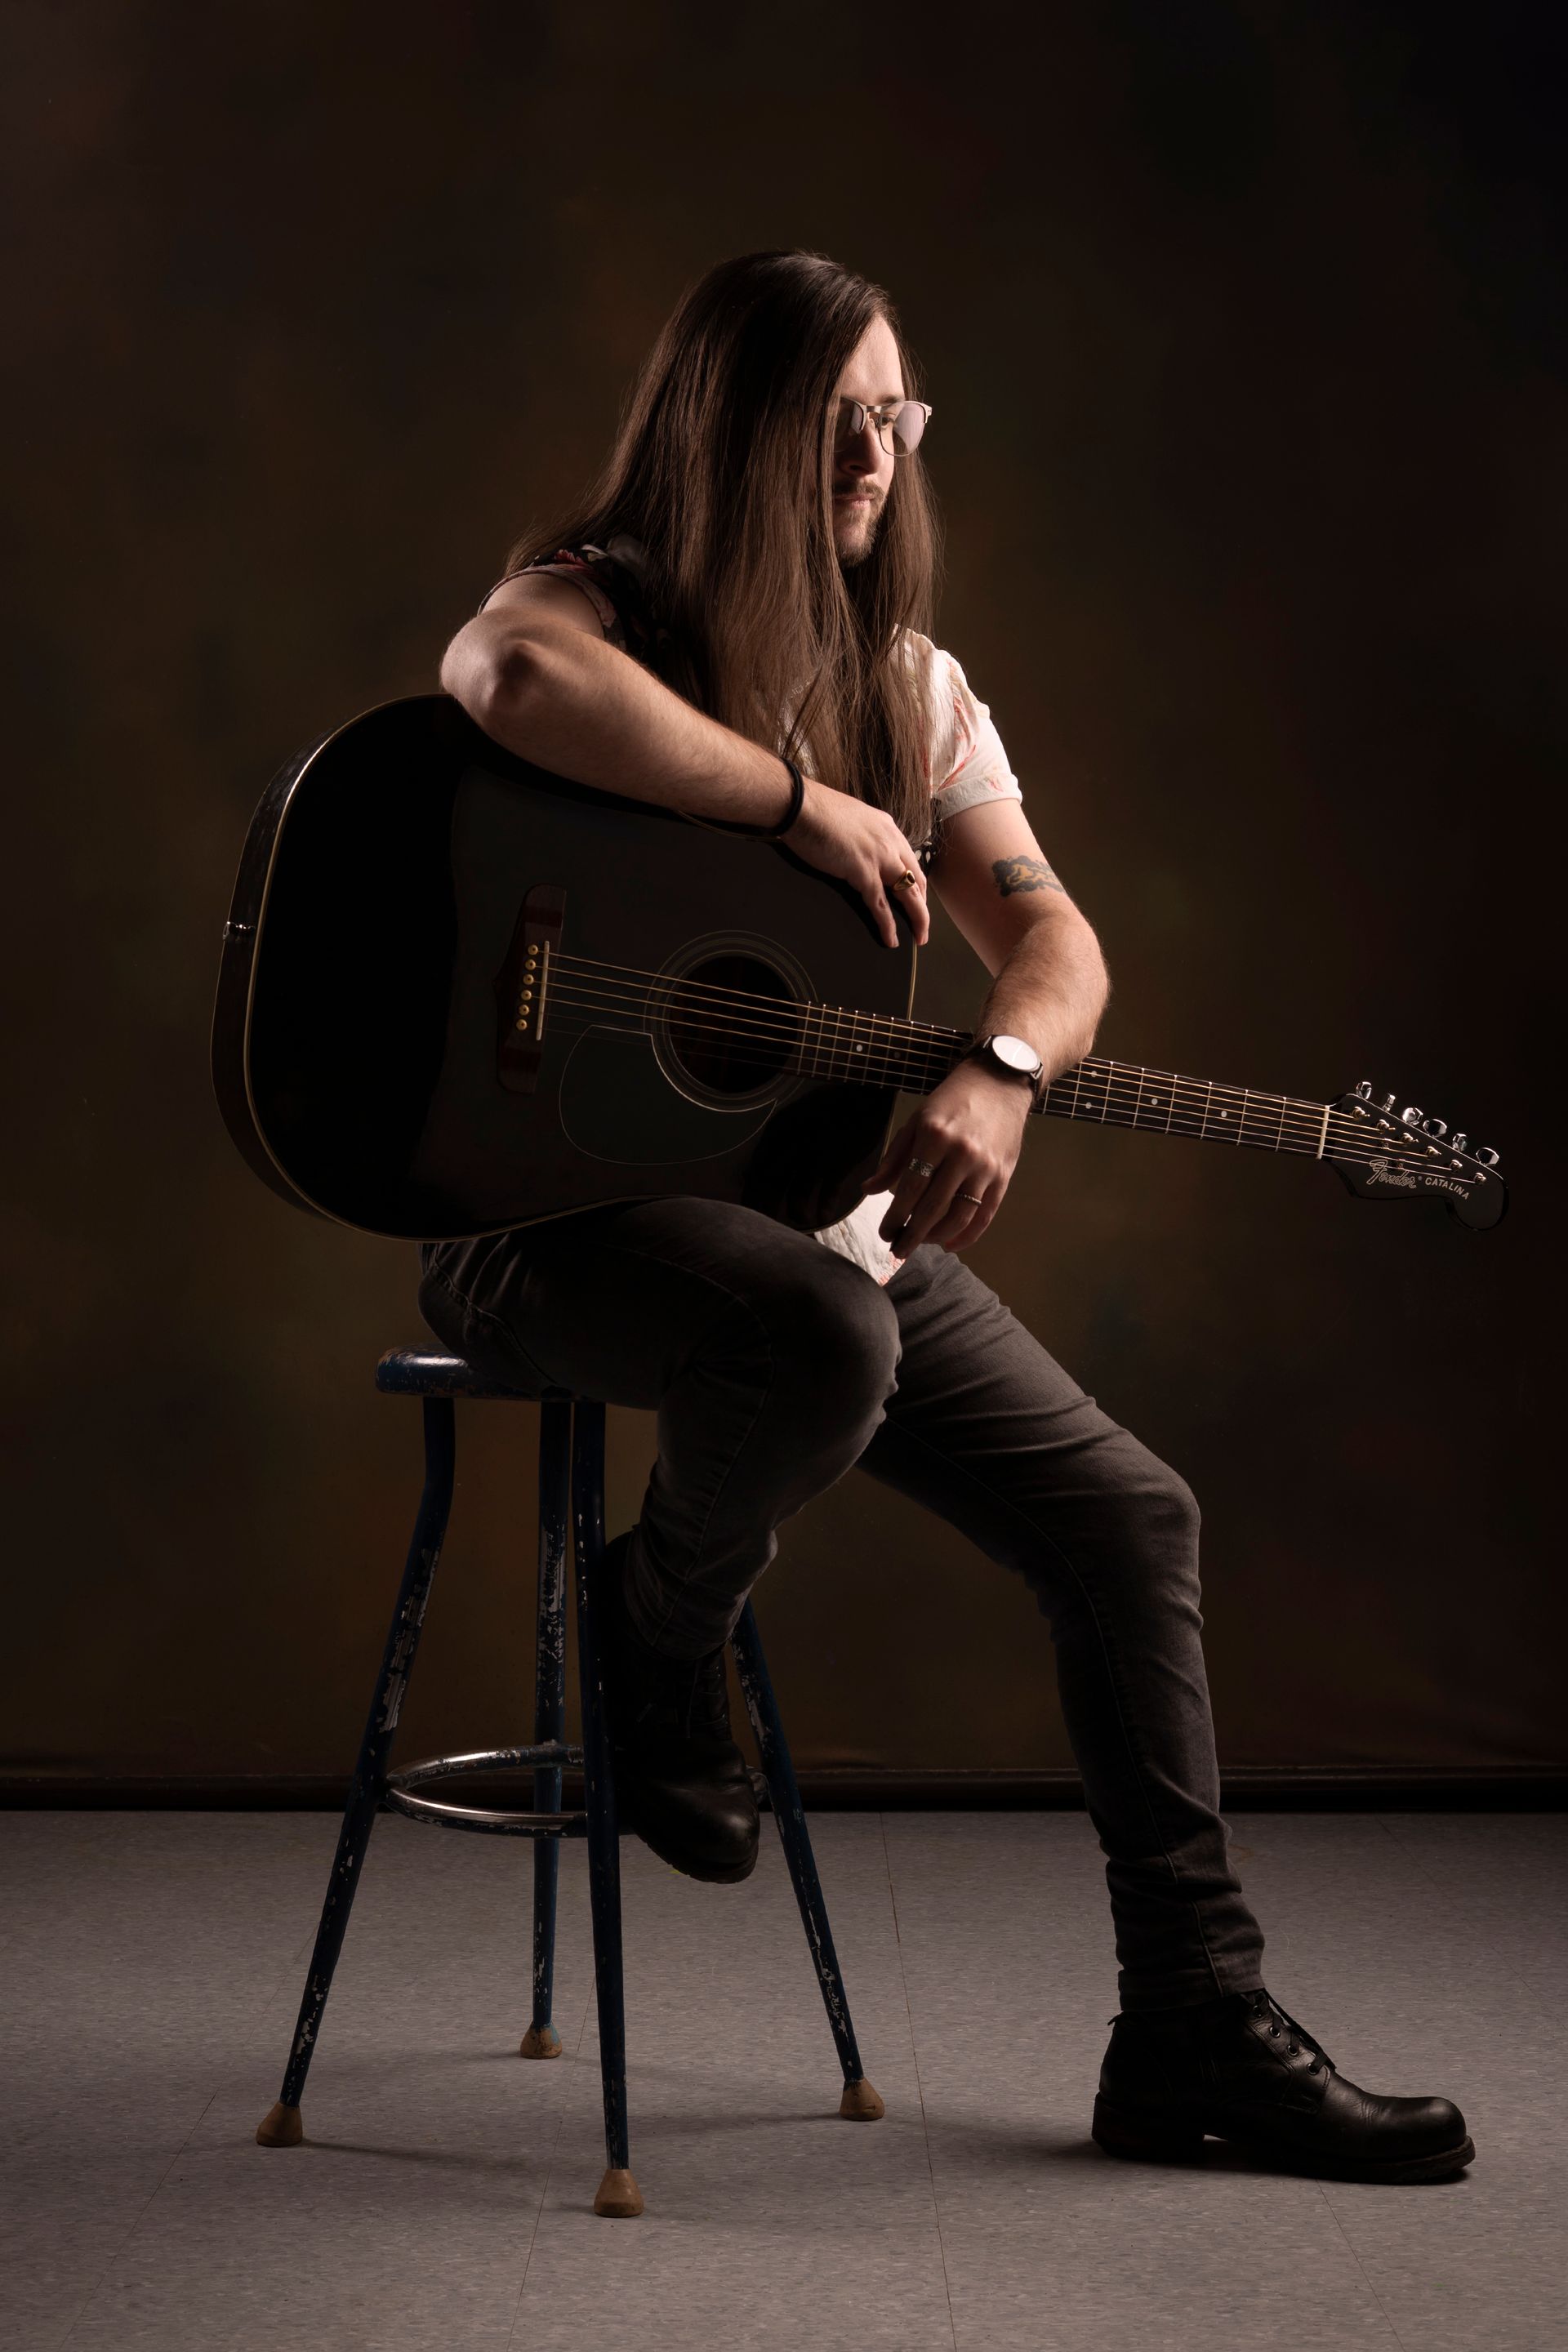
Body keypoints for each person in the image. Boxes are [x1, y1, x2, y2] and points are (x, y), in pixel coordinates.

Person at [425, 249, 1472, 2184]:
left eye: (897, 417)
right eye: (839, 418)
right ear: (731, 430)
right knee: (830, 1334)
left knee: (1126, 1511)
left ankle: (1191, 2027)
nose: (878, 455)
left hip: (802, 1226)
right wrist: (789, 808)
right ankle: (664, 1633)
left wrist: (999, 1068)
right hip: (540, 1224)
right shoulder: (603, 615)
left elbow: (1056, 942)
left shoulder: (916, 690)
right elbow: (496, 675)